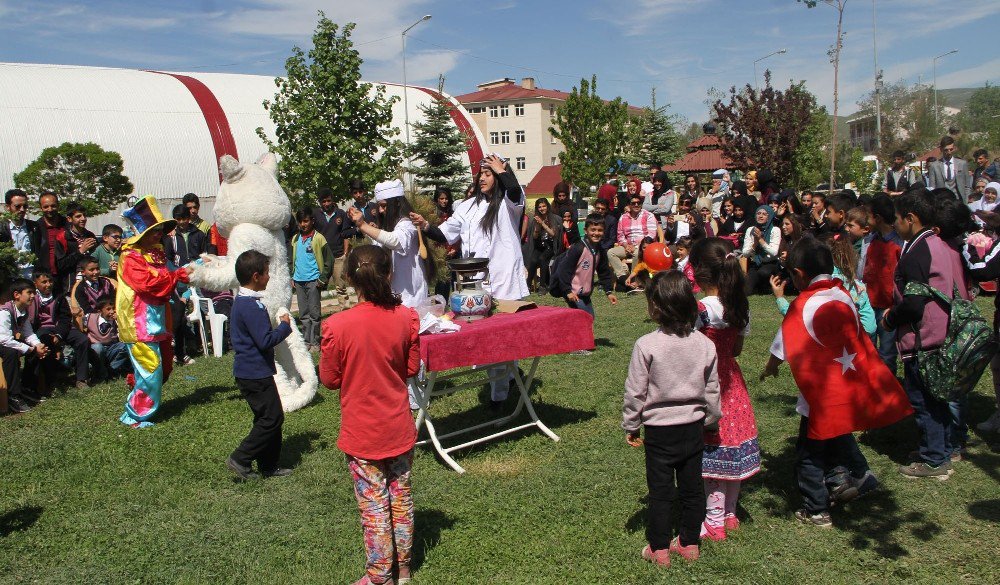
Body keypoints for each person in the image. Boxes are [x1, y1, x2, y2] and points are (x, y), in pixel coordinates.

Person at [761, 236, 909, 527]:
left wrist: (770, 368)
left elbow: (783, 345)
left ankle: (816, 508)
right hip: (847, 387)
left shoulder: (803, 305)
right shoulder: (843, 295)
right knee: (839, 433)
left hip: (820, 397)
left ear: (799, 274)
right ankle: (861, 477)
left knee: (809, 453)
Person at [319, 245, 420, 585]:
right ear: (389, 273)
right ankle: (403, 568)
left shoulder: (336, 325)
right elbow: (411, 367)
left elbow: (330, 380)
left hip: (363, 431)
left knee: (374, 505)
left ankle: (380, 575)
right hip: (398, 425)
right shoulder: (407, 317)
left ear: (348, 277)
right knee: (400, 496)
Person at [412, 154, 528, 406]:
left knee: (503, 337)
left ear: (499, 176)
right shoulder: (466, 206)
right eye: (481, 174)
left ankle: (502, 393)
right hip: (474, 283)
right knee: (487, 339)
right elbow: (445, 234)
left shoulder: (509, 203)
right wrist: (425, 226)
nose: (483, 178)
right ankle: (506, 382)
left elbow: (516, 193)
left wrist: (505, 171)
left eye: (489, 174)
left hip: (504, 279)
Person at [623, 270, 721, 567]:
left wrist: (631, 423)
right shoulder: (704, 344)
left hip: (659, 431)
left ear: (654, 308)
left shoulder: (646, 345)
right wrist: (711, 420)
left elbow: (635, 391)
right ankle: (690, 543)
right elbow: (712, 388)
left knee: (661, 491)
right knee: (692, 489)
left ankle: (659, 549)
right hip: (693, 427)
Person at [883, 188, 968, 478]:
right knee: (938, 398)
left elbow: (914, 304)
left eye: (897, 219)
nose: (894, 224)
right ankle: (942, 448)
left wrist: (890, 319)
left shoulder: (917, 253)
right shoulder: (942, 245)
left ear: (911, 218)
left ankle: (934, 460)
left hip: (924, 339)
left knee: (924, 399)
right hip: (944, 334)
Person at [689, 237, 760, 541]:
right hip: (733, 381)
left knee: (714, 452)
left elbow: (690, 349)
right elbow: (739, 349)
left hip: (708, 384)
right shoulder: (739, 306)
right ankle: (730, 514)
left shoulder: (700, 309)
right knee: (732, 447)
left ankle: (714, 521)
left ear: (699, 272)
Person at [116, 196, 191, 428]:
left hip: (158, 320)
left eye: (159, 229)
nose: (158, 234)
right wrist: (177, 275)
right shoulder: (130, 257)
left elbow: (170, 274)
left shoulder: (155, 253)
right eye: (153, 230)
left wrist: (189, 271)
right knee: (151, 370)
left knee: (165, 367)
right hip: (138, 322)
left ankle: (138, 387)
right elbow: (150, 284)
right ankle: (136, 416)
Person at [226, 249, 294, 481]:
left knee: (267, 417)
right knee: (272, 418)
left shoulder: (245, 301)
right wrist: (285, 326)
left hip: (253, 371)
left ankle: (268, 464)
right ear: (256, 276)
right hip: (254, 373)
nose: (269, 277)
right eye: (266, 273)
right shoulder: (250, 306)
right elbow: (265, 341)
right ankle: (241, 458)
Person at [350, 179, 429, 309]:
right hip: (393, 295)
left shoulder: (407, 224)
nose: (380, 210)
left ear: (396, 204)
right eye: (379, 206)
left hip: (411, 298)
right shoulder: (391, 225)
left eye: (384, 206)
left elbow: (395, 241)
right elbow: (380, 247)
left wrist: (362, 225)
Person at [861, 194, 904, 373]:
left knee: (887, 353)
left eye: (868, 215)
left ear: (877, 218)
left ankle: (888, 391)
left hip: (888, 307)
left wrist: (895, 305)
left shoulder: (898, 244)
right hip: (869, 304)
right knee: (867, 349)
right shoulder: (871, 240)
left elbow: (902, 278)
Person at [30, 269, 91, 391]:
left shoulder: (58, 296)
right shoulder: (32, 298)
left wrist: (59, 334)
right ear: (35, 283)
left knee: (82, 340)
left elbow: (65, 317)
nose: (48, 285)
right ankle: (50, 379)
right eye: (44, 282)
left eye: (50, 281)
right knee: (44, 341)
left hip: (60, 327)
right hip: (42, 329)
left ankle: (81, 378)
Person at [551, 213, 618, 317]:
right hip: (573, 292)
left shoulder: (600, 250)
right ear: (586, 231)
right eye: (593, 230)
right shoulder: (578, 249)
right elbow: (563, 270)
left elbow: (604, 272)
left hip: (585, 293)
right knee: (587, 317)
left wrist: (608, 291)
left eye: (600, 230)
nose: (596, 233)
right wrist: (567, 291)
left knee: (587, 318)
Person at [0, 278, 49, 413]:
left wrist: (38, 345)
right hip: (2, 342)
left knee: (36, 350)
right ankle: (13, 395)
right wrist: (28, 348)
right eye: (29, 292)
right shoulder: (4, 312)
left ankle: (27, 387)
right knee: (10, 352)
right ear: (17, 295)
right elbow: (3, 339)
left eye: (34, 292)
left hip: (5, 341)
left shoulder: (23, 311)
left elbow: (28, 333)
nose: (33, 296)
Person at [290, 208, 333, 352]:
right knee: (303, 314)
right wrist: (292, 276)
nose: (303, 224)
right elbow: (292, 260)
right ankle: (306, 341)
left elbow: (329, 260)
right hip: (299, 281)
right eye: (300, 222)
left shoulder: (319, 238)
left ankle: (315, 342)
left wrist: (323, 278)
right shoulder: (295, 239)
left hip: (314, 280)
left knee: (314, 313)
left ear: (312, 221)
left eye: (306, 221)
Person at [313, 187, 353, 306]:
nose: (326, 204)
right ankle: (316, 314)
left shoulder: (341, 213)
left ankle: (345, 311)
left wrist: (345, 253)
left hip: (338, 256)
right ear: (320, 202)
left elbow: (345, 234)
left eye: (328, 201)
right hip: (321, 258)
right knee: (318, 286)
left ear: (332, 200)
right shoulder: (315, 214)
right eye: (323, 201)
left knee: (340, 286)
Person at [610, 194, 659, 283]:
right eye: (633, 203)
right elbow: (620, 235)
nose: (636, 205)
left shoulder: (648, 215)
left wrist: (637, 246)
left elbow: (651, 235)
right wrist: (626, 245)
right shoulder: (623, 217)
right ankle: (623, 277)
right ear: (629, 205)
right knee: (611, 253)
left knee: (637, 253)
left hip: (643, 246)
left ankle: (634, 280)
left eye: (638, 203)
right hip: (627, 246)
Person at [84, 295, 130, 382]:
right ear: (99, 311)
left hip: (111, 348)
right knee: (98, 347)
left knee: (127, 345)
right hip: (95, 349)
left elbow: (125, 332)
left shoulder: (116, 320)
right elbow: (79, 324)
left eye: (113, 308)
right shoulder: (90, 317)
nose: (112, 311)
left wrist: (119, 321)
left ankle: (112, 368)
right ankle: (100, 371)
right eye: (108, 309)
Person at [522, 198, 562, 294]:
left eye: (543, 206)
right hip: (540, 245)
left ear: (547, 206)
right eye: (539, 207)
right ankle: (528, 285)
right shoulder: (535, 219)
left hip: (551, 246)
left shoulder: (554, 218)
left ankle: (543, 286)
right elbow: (535, 237)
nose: (542, 208)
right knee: (533, 260)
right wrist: (537, 227)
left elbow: (553, 234)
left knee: (543, 258)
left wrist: (542, 223)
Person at [0, 188, 42, 279]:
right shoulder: (2, 229)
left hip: (31, 275)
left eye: (25, 206)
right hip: (9, 276)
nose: (22, 210)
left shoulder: (34, 227)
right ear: (7, 207)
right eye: (17, 206)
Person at [741, 206, 782, 295]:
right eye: (758, 213)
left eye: (764, 214)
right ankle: (758, 286)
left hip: (771, 263)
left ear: (769, 216)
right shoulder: (750, 230)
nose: (760, 216)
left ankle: (767, 287)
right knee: (746, 291)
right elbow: (745, 253)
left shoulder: (775, 230)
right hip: (755, 264)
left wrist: (760, 240)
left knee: (763, 272)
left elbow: (774, 252)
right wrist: (755, 244)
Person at [59, 202, 98, 292]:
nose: (83, 219)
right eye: (78, 216)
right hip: (71, 286)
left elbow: (96, 258)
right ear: (69, 219)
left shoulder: (90, 235)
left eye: (84, 215)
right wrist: (80, 251)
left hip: (90, 285)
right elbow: (61, 265)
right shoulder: (63, 237)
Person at [37, 191, 67, 288]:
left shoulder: (68, 225)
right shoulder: (36, 228)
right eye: (46, 207)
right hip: (46, 277)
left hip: (66, 274)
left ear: (58, 206)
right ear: (41, 207)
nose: (50, 209)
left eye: (53, 206)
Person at [927, 136, 971, 201]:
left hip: (959, 200)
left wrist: (966, 200)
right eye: (946, 150)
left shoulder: (962, 164)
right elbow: (932, 188)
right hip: (942, 201)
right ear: (941, 149)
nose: (949, 152)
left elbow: (967, 186)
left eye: (951, 149)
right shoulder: (934, 166)